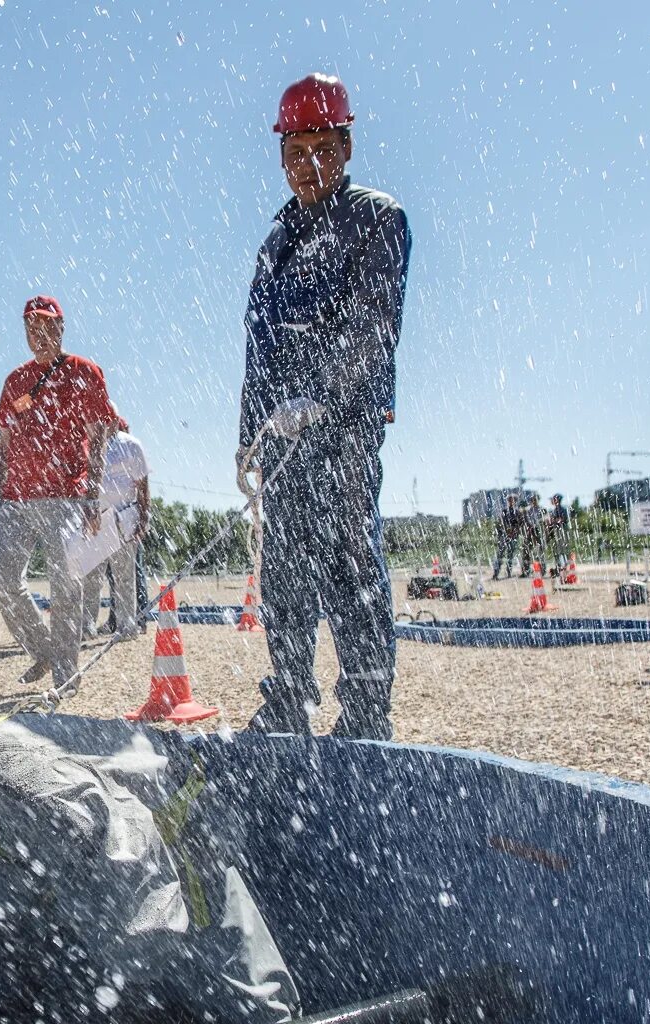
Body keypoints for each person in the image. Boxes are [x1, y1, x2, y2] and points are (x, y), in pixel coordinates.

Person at [236, 74, 411, 738]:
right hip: (281, 435)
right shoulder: (275, 240)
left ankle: (366, 709)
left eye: (322, 150)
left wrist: (323, 398)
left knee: (346, 557)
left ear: (346, 146)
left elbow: (373, 325)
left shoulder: (376, 218)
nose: (309, 166)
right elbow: (256, 343)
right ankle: (287, 696)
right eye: (296, 152)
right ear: (282, 156)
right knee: (283, 563)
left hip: (345, 426)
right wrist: (249, 432)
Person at [0, 295, 121, 688]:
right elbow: (3, 445)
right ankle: (42, 649)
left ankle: (65, 670)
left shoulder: (85, 372)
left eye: (45, 327)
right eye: (30, 328)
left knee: (66, 580)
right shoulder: (15, 381)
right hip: (17, 497)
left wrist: (92, 495)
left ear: (60, 328)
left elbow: (100, 436)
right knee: (2, 578)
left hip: (68, 495)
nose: (37, 335)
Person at [81, 427, 150, 638]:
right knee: (91, 577)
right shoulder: (88, 444)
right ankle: (86, 628)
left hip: (123, 518)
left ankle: (127, 626)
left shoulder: (131, 444)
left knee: (124, 578)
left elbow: (143, 483)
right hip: (96, 521)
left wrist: (144, 516)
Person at [492, 497, 522, 580]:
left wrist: (513, 532)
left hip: (513, 536)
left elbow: (519, 524)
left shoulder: (517, 512)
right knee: (500, 555)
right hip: (504, 536)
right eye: (509, 500)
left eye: (513, 500)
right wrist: (505, 531)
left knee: (510, 555)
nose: (511, 502)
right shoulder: (505, 511)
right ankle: (496, 573)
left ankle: (508, 573)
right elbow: (501, 523)